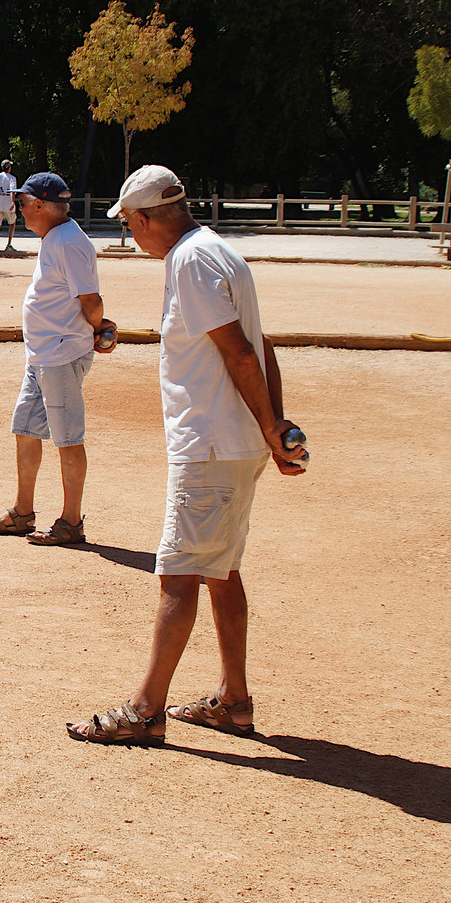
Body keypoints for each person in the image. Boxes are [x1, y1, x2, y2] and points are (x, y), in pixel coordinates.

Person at [66, 165, 306, 747]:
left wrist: (272, 428)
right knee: (221, 572)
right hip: (230, 442)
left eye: (128, 224)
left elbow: (243, 352)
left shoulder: (191, 262)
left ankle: (146, 711)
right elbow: (261, 346)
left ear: (146, 217)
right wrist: (271, 430)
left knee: (178, 573)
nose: (129, 236)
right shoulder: (218, 251)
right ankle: (234, 701)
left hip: (211, 444)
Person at [0, 172, 115, 545]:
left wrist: (100, 327)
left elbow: (91, 300)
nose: (19, 210)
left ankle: (71, 522)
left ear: (39, 203)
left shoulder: (68, 242)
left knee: (68, 438)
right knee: (25, 429)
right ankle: (23, 512)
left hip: (60, 354)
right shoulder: (56, 238)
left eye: (21, 204)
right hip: (42, 355)